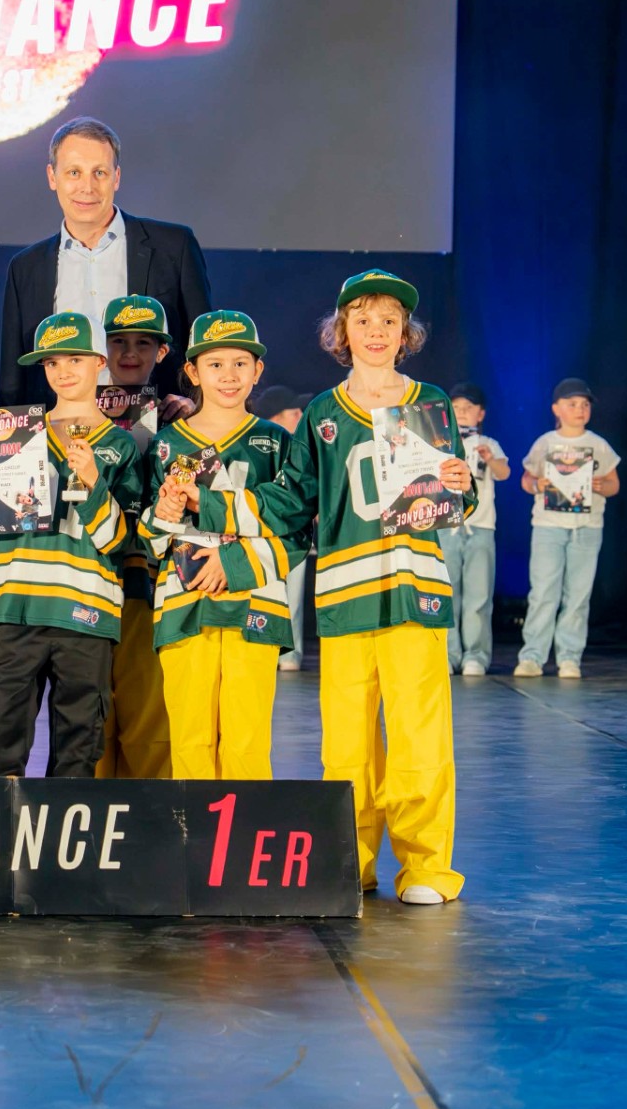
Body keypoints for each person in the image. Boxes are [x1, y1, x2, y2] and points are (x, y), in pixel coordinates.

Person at [167, 271, 473, 905]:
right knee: (346, 745)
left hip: (415, 590)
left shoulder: (431, 403)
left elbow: (453, 497)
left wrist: (461, 487)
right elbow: (290, 502)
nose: (376, 331)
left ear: (406, 334)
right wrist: (210, 503)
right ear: (342, 333)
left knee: (419, 736)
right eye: (362, 320)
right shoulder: (322, 415)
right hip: (344, 596)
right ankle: (350, 862)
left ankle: (426, 867)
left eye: (389, 321)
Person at [0, 311, 141, 777]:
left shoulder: (122, 446)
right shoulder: (12, 435)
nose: (63, 371)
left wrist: (93, 482)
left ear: (100, 362)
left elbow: (119, 541)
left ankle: (67, 825)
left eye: (75, 359)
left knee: (79, 746)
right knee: (0, 740)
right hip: (17, 605)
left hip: (87, 611)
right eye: (52, 362)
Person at [147, 311, 300, 779]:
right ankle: (190, 830)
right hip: (184, 602)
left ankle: (245, 829)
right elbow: (147, 540)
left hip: (255, 601)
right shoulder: (165, 444)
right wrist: (164, 514)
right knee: (189, 739)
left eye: (240, 363)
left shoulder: (278, 442)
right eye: (214, 364)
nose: (228, 375)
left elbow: (296, 531)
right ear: (192, 373)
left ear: (257, 370)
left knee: (246, 742)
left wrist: (232, 563)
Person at [0, 118, 211, 406]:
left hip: (157, 427)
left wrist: (197, 406)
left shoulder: (175, 246)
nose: (87, 187)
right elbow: (14, 379)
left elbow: (205, 346)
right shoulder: (26, 268)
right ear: (52, 177)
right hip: (58, 430)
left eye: (99, 172)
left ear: (116, 177)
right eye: (74, 172)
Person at [94, 294, 179, 779]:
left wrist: (189, 414)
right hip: (87, 574)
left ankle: (150, 813)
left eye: (143, 343)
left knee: (147, 713)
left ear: (162, 352)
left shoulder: (178, 417)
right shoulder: (72, 413)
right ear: (101, 350)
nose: (129, 353)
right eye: (118, 342)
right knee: (90, 712)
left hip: (146, 577)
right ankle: (92, 811)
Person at [515, 379, 620, 680]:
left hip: (586, 526)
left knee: (578, 595)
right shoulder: (545, 443)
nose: (580, 409)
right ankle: (532, 656)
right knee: (543, 592)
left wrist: (600, 486)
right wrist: (538, 485)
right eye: (572, 404)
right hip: (549, 525)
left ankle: (570, 657)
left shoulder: (598, 445)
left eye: (585, 405)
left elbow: (614, 484)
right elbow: (526, 480)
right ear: (556, 409)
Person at [444, 383, 510, 677]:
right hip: (446, 526)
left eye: (468, 408)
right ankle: (447, 654)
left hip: (480, 526)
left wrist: (490, 458)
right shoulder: (440, 441)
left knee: (479, 595)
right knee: (446, 593)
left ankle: (476, 655)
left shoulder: (489, 443)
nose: (462, 412)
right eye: (456, 407)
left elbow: (505, 473)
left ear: (480, 414)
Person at [253, 386, 310, 670]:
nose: (301, 416)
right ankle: (264, 648)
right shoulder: (256, 445)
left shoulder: (300, 447)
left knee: (293, 595)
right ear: (276, 417)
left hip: (291, 531)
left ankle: (290, 653)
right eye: (294, 412)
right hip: (257, 533)